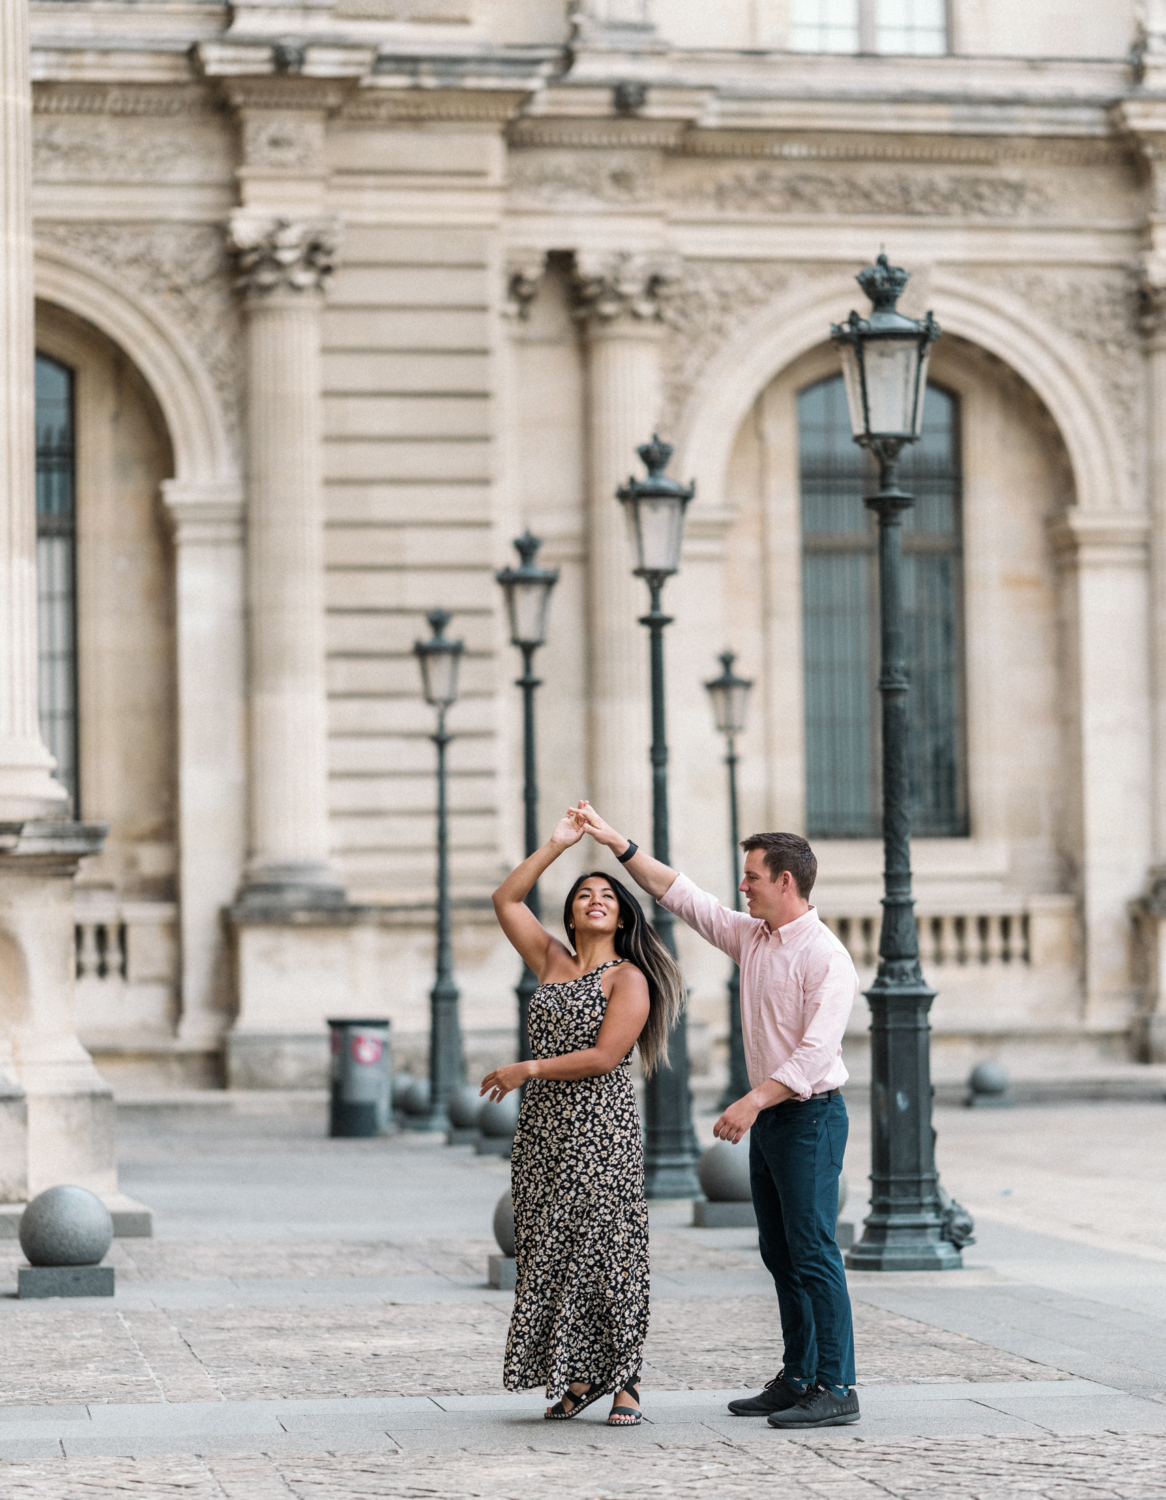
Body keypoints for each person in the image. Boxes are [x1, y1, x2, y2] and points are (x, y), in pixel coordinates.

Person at [575, 801, 861, 1430]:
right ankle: (800, 1376)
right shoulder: (752, 937)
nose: (742, 886)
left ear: (786, 881)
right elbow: (680, 894)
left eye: (752, 876)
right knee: (780, 1252)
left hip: (810, 1118)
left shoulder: (826, 957)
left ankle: (838, 1385)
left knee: (813, 1251)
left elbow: (816, 1054)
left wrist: (752, 1100)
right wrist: (615, 841)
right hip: (775, 1122)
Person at [481, 808, 682, 1427]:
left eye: (607, 896)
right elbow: (505, 898)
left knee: (608, 1248)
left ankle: (628, 1381)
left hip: (600, 1130)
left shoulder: (629, 978)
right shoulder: (550, 959)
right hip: (543, 1132)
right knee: (550, 1249)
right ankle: (581, 1375)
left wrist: (527, 1070)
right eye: (583, 895)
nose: (596, 900)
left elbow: (605, 1057)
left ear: (623, 913)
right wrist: (556, 845)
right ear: (570, 913)